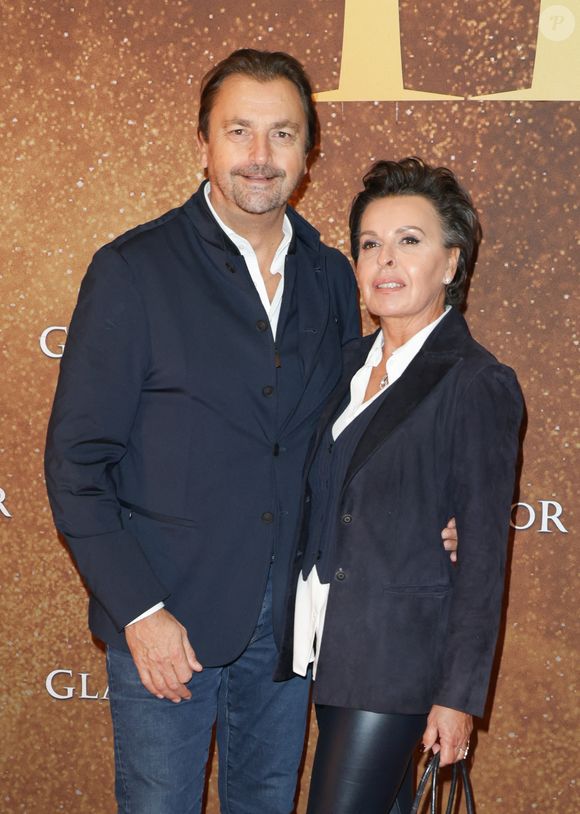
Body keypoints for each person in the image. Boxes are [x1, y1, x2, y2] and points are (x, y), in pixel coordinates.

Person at [45, 50, 457, 814]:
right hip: (168, 622)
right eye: (240, 131)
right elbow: (75, 465)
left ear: (307, 154)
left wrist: (429, 514)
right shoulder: (133, 270)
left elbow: (348, 434)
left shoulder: (336, 276)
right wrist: (141, 613)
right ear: (204, 142)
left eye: (282, 134)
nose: (260, 158)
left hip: (289, 634)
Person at [276, 157, 523, 814]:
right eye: (370, 243)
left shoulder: (475, 382)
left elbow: (482, 561)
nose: (385, 260)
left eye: (409, 241)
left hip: (397, 662)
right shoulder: (346, 366)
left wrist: (459, 697)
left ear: (451, 262)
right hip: (328, 644)